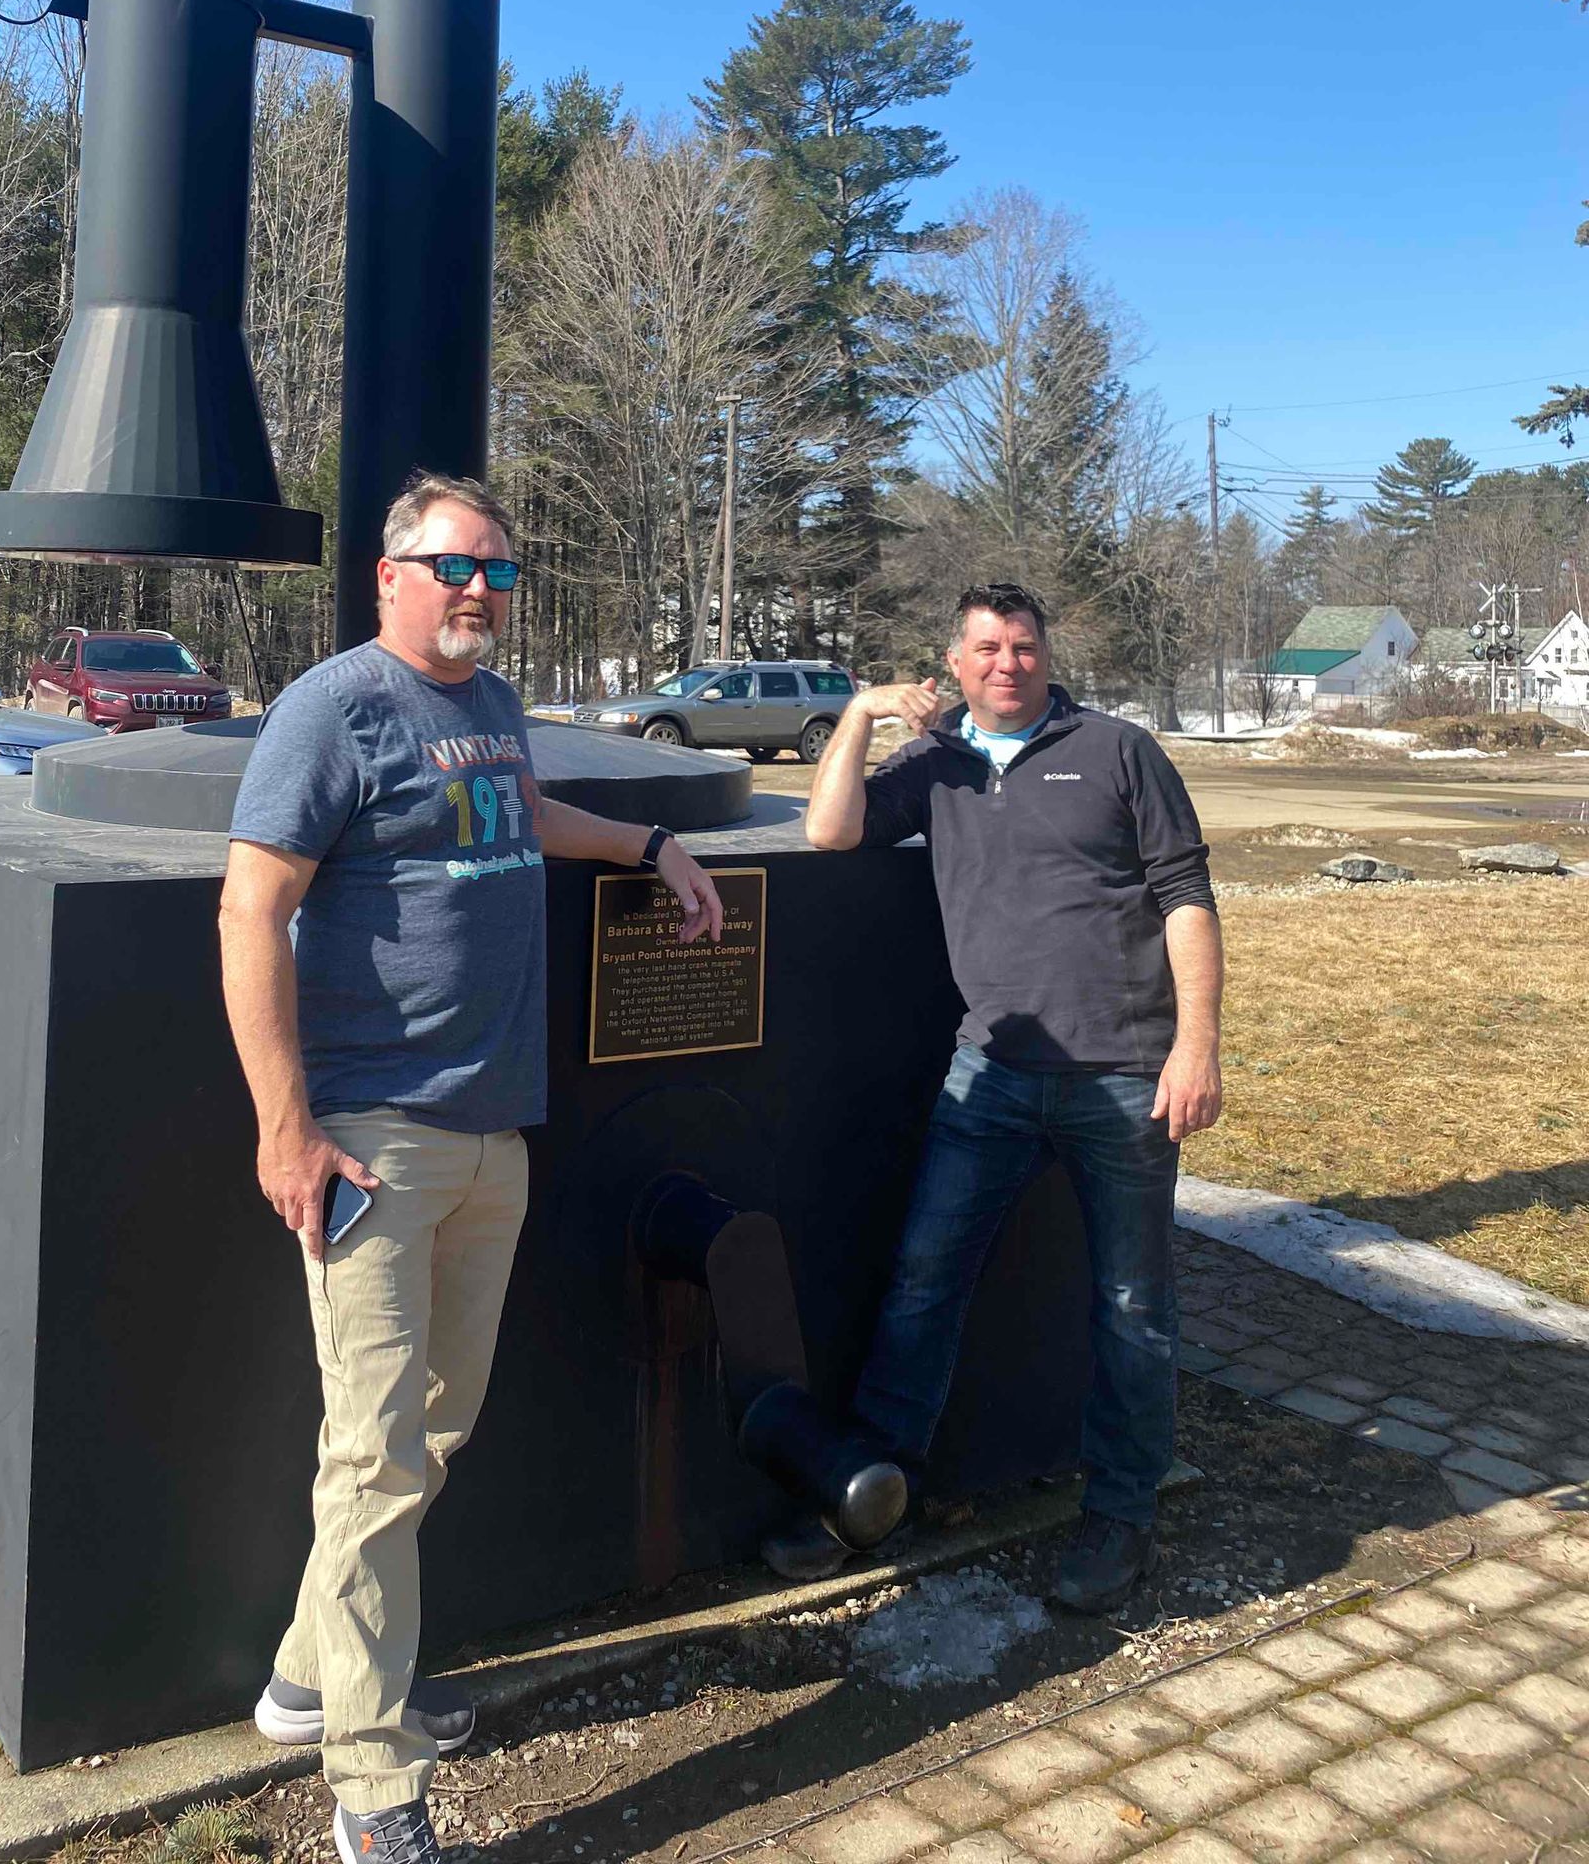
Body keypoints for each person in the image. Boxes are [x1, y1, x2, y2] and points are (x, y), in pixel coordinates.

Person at [218, 472, 724, 1864]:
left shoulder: (490, 707)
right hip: (373, 1139)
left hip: (495, 1133)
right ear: (390, 574)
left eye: (498, 572)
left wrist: (650, 841)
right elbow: (251, 907)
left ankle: (314, 1678)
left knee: (432, 1432)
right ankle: (373, 1786)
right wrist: (284, 1126)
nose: (479, 592)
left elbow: (520, 813)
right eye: (454, 567)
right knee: (372, 1456)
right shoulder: (333, 707)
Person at [768, 582, 1222, 1615]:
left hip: (1124, 1074)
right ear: (955, 661)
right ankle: (871, 1494)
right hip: (992, 1072)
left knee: (1134, 1308)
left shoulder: (1117, 751)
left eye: (1022, 646)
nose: (1006, 663)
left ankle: (1121, 1514)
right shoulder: (935, 762)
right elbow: (830, 831)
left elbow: (1187, 899)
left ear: (1045, 655)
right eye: (986, 648)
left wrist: (1195, 1047)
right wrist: (858, 713)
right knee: (923, 1282)